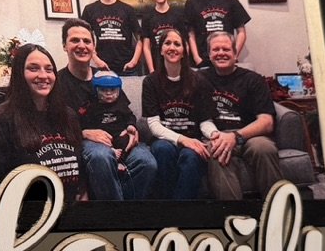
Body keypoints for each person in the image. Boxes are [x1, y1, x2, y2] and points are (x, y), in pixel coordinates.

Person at [55, 18, 157, 200]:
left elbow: (125, 111)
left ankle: (119, 214)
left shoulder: (107, 78)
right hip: (87, 145)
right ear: (64, 45)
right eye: (74, 40)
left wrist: (131, 129)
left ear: (94, 47)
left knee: (147, 162)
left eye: (87, 41)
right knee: (101, 157)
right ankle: (117, 218)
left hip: (119, 138)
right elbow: (54, 125)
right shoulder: (58, 83)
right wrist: (84, 133)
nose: (82, 45)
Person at [0, 43, 86, 202]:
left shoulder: (68, 116)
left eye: (49, 70)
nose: (44, 75)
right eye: (33, 68)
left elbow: (81, 184)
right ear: (19, 74)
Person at [200, 31, 282, 200]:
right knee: (217, 150)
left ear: (235, 53)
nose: (221, 53)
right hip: (215, 135)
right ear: (209, 54)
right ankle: (236, 216)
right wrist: (219, 136)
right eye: (215, 49)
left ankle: (277, 209)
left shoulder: (254, 79)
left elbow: (267, 122)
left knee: (264, 148)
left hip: (248, 135)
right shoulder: (200, 79)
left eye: (226, 49)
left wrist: (235, 136)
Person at [141, 29, 213, 199]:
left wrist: (214, 134)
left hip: (193, 139)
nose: (172, 47)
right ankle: (169, 207)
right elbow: (154, 125)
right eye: (167, 43)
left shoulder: (198, 80)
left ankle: (181, 211)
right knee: (163, 150)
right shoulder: (150, 82)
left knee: (192, 155)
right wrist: (181, 139)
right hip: (165, 140)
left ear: (183, 52)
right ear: (160, 49)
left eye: (177, 44)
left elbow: (205, 121)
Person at [184, 0, 250, 67]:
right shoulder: (191, 2)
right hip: (203, 63)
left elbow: (241, 32)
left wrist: (234, 55)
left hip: (226, 60)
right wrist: (197, 58)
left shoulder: (230, 0)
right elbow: (190, 33)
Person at [80, 0, 143, 74]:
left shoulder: (128, 9)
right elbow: (82, 37)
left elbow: (140, 38)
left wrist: (134, 61)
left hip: (126, 69)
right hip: (101, 67)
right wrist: (96, 60)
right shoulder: (89, 9)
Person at [86, 70, 139, 171]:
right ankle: (112, 153)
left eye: (112, 90)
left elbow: (130, 116)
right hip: (102, 136)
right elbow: (88, 121)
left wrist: (131, 126)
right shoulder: (93, 106)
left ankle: (120, 160)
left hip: (119, 134)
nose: (109, 93)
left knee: (126, 140)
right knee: (99, 145)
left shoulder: (121, 103)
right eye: (103, 90)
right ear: (96, 90)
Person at [140, 0, 186, 74]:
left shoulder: (178, 15)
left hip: (176, 67)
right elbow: (146, 47)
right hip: (156, 67)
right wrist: (152, 70)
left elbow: (185, 43)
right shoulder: (147, 16)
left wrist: (183, 66)